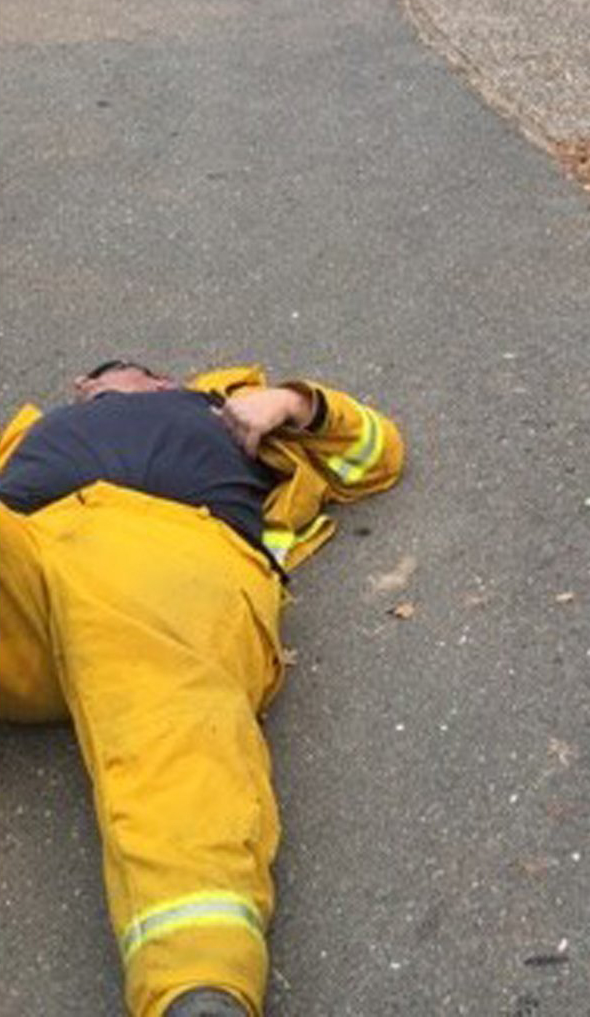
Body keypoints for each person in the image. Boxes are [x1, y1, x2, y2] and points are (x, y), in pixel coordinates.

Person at [0, 361, 404, 1017]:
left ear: (159, 380)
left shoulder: (229, 406)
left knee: (174, 734)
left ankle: (197, 988)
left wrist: (294, 403)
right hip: (23, 557)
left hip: (164, 550)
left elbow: (380, 452)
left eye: (112, 373)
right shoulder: (29, 434)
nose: (91, 385)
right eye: (86, 384)